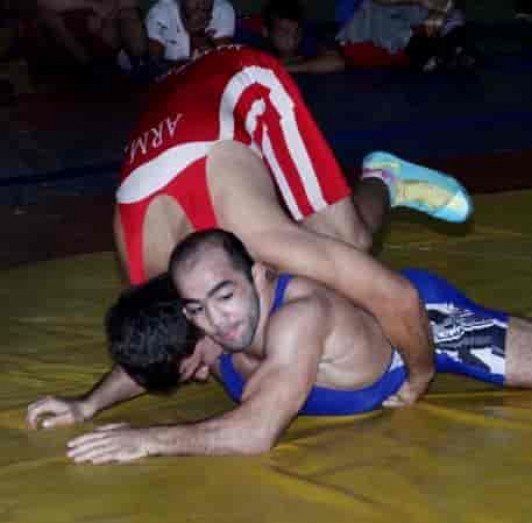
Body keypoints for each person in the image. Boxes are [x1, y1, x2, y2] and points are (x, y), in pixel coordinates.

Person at [25, 43, 472, 424]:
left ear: (191, 317)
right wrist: (87, 405)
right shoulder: (144, 280)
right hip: (172, 103)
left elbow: (397, 296)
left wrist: (421, 372)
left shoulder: (254, 235)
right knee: (299, 260)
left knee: (348, 243)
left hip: (239, 80)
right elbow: (157, 350)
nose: (205, 374)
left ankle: (384, 177)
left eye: (196, 367)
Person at [52, 229, 532, 463]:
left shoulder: (296, 318)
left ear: (258, 276)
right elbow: (151, 362)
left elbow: (254, 432)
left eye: (226, 297)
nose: (217, 323)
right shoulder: (205, 326)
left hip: (424, 326)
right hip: (371, 346)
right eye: (200, 312)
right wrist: (88, 404)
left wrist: (150, 440)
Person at [337, 0, 478, 72]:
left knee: (452, 12)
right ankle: (424, 51)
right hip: (368, 36)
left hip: (415, 33)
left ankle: (453, 48)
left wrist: (440, 10)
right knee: (373, 10)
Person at [35, 0, 147, 73]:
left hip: (111, 19)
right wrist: (93, 6)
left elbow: (130, 3)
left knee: (129, 15)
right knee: (48, 15)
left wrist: (108, 13)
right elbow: (44, 3)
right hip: (83, 43)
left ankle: (138, 61)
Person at [255, 0, 346, 74]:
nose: (292, 39)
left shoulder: (309, 41)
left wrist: (283, 68)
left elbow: (337, 62)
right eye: (284, 32)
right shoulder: (257, 47)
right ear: (266, 32)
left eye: (297, 31)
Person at [145, 0, 235, 67]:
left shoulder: (222, 9)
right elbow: (153, 66)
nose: (202, 3)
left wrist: (201, 37)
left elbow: (225, 63)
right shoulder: (161, 13)